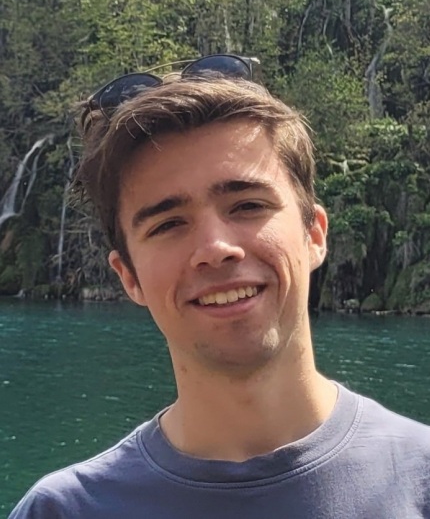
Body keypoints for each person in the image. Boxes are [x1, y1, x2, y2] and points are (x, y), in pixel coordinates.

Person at [9, 54, 430, 518]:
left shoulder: (421, 482)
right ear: (129, 276)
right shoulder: (64, 510)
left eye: (247, 206)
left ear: (314, 235)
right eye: (169, 224)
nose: (215, 248)